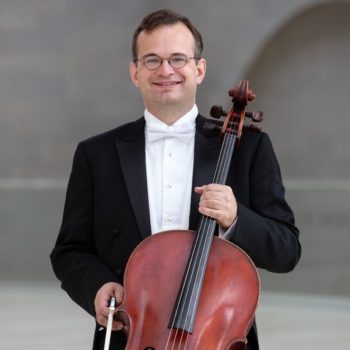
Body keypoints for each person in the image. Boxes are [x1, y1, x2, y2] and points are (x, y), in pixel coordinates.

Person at [50, 9, 301, 350]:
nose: (165, 70)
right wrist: (96, 287)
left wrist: (236, 218)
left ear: (199, 69)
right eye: (151, 60)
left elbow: (287, 250)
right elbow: (69, 250)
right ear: (135, 72)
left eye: (178, 59)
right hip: (130, 337)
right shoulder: (96, 155)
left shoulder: (249, 148)